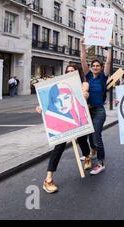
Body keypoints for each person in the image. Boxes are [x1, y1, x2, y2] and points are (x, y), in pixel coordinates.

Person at [39, 63, 93, 194]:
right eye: (67, 71)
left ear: (77, 72)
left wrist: (84, 95)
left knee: (82, 141)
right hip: (62, 121)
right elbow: (48, 102)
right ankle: (48, 179)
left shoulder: (83, 83)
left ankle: (87, 156)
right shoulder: (58, 86)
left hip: (78, 118)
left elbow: (84, 93)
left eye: (72, 71)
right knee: (59, 147)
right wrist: (41, 107)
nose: (69, 73)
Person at [80, 38, 113, 175]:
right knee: (89, 135)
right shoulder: (88, 76)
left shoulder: (103, 78)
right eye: (93, 65)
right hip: (88, 110)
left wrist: (110, 48)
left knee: (96, 135)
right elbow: (82, 60)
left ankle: (100, 162)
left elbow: (109, 62)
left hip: (99, 111)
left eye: (97, 66)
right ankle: (93, 151)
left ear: (100, 68)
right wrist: (81, 45)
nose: (95, 67)